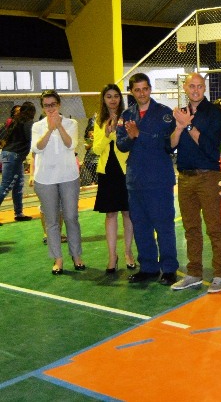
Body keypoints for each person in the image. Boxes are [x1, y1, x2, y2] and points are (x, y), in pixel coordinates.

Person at [116, 73, 178, 286]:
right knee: (141, 226)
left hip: (159, 179)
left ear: (150, 89)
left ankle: (169, 268)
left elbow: (168, 144)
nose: (142, 93)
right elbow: (121, 145)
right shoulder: (127, 115)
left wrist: (139, 135)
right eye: (137, 90)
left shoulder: (164, 113)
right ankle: (149, 267)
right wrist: (130, 136)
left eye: (145, 89)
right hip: (136, 179)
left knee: (164, 226)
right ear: (131, 92)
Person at [169, 73, 221, 292]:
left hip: (208, 177)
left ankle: (220, 274)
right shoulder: (180, 113)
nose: (195, 90)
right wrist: (178, 127)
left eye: (199, 86)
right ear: (185, 87)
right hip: (185, 178)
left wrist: (188, 126)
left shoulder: (215, 113)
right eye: (191, 86)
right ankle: (194, 273)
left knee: (214, 227)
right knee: (191, 228)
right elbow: (170, 146)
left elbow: (211, 149)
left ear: (205, 88)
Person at [31, 90, 84, 275]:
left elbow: (71, 145)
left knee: (71, 217)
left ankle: (76, 255)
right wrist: (49, 129)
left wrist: (59, 126)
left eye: (53, 104)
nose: (50, 108)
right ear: (42, 107)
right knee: (52, 221)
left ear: (59, 104)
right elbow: (37, 148)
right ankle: (58, 258)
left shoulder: (71, 123)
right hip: (45, 179)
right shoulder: (37, 126)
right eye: (46, 105)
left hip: (69, 177)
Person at [92, 84, 135, 273]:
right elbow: (96, 149)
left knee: (127, 212)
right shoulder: (99, 120)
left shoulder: (128, 117)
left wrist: (117, 133)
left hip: (126, 170)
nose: (112, 100)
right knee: (110, 214)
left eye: (116, 96)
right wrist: (107, 135)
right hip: (107, 172)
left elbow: (131, 142)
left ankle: (128, 252)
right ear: (103, 99)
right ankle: (112, 256)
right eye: (108, 96)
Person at [0, 102, 35, 225]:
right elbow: (30, 138)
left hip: (11, 155)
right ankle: (18, 212)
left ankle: (19, 213)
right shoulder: (28, 122)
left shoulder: (14, 121)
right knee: (6, 185)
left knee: (18, 185)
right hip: (14, 156)